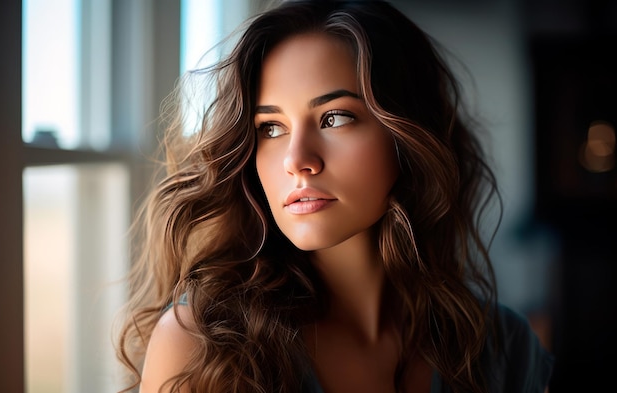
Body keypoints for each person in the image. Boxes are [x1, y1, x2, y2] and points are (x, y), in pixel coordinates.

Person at [116, 1, 554, 392]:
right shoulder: (203, 347)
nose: (297, 159)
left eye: (334, 118)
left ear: (408, 136)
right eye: (271, 127)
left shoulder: (501, 348)